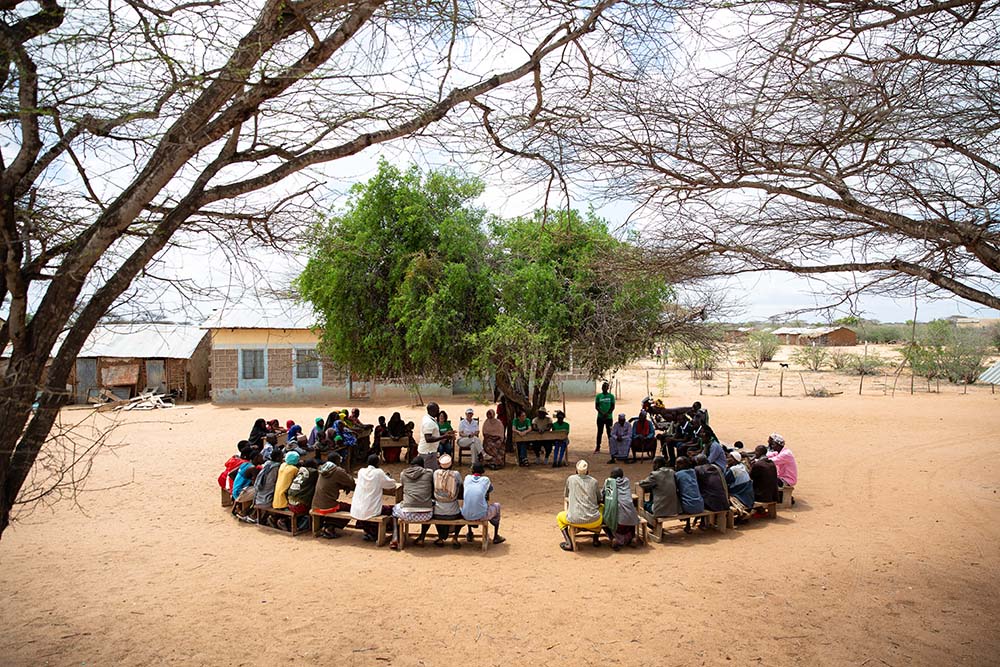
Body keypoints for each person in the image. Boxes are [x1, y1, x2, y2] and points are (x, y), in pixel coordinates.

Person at [557, 460, 604, 551]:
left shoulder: (570, 479)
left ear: (576, 470)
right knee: (602, 509)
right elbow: (599, 499)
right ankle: (596, 538)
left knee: (559, 517)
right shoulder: (594, 481)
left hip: (574, 519)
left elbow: (566, 495)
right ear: (587, 471)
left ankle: (569, 543)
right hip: (594, 521)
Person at [350, 454, 398, 542]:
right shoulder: (378, 472)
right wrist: (388, 477)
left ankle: (368, 531)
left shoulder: (361, 471)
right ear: (377, 463)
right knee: (392, 509)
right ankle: (376, 532)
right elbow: (391, 484)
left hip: (357, 509)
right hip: (371, 510)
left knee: (367, 509)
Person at [390, 456, 435, 549]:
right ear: (423, 465)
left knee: (394, 511)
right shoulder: (429, 473)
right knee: (431, 506)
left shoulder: (403, 474)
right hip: (426, 515)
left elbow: (403, 486)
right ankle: (422, 537)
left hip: (407, 513)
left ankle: (395, 538)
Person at [311, 452, 357, 538]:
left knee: (341, 506)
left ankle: (328, 525)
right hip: (327, 505)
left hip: (316, 504)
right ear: (337, 461)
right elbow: (351, 482)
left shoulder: (322, 469)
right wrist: (346, 485)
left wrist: (343, 485)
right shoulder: (337, 470)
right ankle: (330, 527)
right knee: (352, 509)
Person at [461, 462, 506, 545]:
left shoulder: (467, 478)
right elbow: (491, 489)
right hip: (481, 515)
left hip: (466, 514)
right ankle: (496, 536)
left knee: (469, 504)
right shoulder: (485, 480)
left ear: (472, 470)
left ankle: (470, 533)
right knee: (497, 506)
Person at [602, 467, 639, 550]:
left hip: (617, 523)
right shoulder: (626, 481)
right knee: (630, 512)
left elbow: (603, 494)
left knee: (603, 520)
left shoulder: (609, 482)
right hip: (629, 521)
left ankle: (612, 538)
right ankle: (633, 537)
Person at [432, 454, 464, 548]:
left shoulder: (435, 473)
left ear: (439, 464)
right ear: (451, 464)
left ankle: (441, 538)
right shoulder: (456, 474)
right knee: (463, 514)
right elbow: (461, 486)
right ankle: (455, 537)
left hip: (438, 513)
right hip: (453, 513)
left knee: (435, 512)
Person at [286, 459, 319, 531]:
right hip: (300, 506)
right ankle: (300, 527)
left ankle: (286, 522)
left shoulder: (299, 471)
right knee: (314, 508)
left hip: (289, 503)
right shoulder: (314, 472)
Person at [252, 448, 284, 513]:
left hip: (258, 497)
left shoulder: (267, 464)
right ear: (278, 458)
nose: (283, 458)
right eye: (282, 457)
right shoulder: (275, 468)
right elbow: (272, 484)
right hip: (265, 500)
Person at [594, 382, 616, 453]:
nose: (604, 388)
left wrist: (608, 413)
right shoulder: (598, 396)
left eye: (606, 387)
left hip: (609, 418)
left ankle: (611, 447)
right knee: (600, 432)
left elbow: (612, 406)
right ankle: (598, 447)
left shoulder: (611, 396)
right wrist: (602, 413)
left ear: (608, 388)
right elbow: (596, 406)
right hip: (600, 417)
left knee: (609, 433)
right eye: (603, 387)